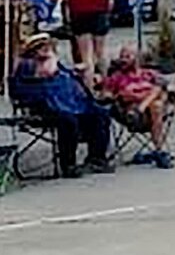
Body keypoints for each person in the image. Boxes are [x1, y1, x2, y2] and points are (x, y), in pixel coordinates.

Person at [9, 33, 113, 177]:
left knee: (100, 113)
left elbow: (70, 82)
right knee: (68, 120)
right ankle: (68, 164)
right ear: (33, 51)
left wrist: (79, 77)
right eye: (41, 47)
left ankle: (97, 158)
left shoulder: (56, 64)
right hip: (46, 106)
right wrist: (39, 78)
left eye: (48, 46)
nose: (46, 49)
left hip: (72, 103)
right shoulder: (28, 65)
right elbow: (18, 90)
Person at [102, 46, 175, 169]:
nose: (123, 60)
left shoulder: (150, 74)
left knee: (158, 96)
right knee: (155, 100)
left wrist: (138, 96)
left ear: (136, 59)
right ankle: (160, 151)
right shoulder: (116, 77)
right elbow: (106, 94)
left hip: (148, 113)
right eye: (121, 57)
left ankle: (142, 107)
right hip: (133, 116)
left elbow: (171, 88)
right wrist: (119, 95)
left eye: (127, 56)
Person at [62, 0, 115, 73]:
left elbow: (69, 1)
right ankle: (105, 80)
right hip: (99, 15)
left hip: (80, 17)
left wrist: (68, 18)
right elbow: (110, 2)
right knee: (101, 53)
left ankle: (88, 82)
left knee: (86, 57)